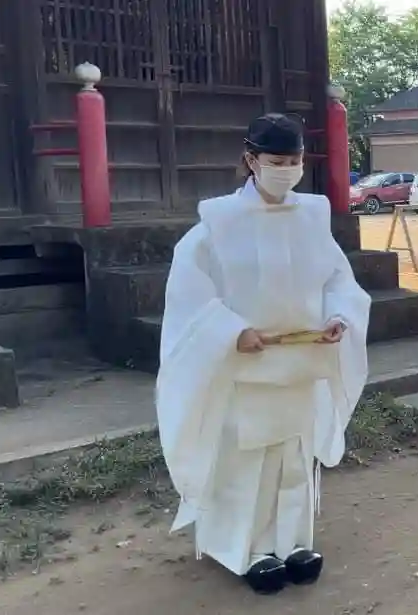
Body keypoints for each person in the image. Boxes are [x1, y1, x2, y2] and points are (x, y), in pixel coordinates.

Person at [155, 112, 371, 594]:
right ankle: (247, 550)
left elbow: (338, 279)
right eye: (277, 161)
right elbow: (189, 293)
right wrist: (232, 331)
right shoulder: (218, 222)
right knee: (247, 460)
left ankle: (293, 543)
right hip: (249, 364)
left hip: (301, 360)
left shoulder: (312, 216)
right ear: (251, 160)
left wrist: (339, 316)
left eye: (295, 160)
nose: (287, 169)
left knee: (294, 458)